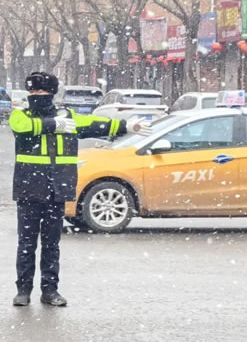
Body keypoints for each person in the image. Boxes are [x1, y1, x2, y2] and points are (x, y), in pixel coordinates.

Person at [9, 72, 151, 307]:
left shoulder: (68, 117)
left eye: (41, 91)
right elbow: (21, 127)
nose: (36, 95)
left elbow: (95, 125)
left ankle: (50, 290)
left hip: (57, 190)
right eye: (32, 91)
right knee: (26, 244)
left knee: (51, 244)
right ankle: (23, 290)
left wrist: (127, 125)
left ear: (51, 93)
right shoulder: (21, 115)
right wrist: (53, 124)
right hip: (29, 189)